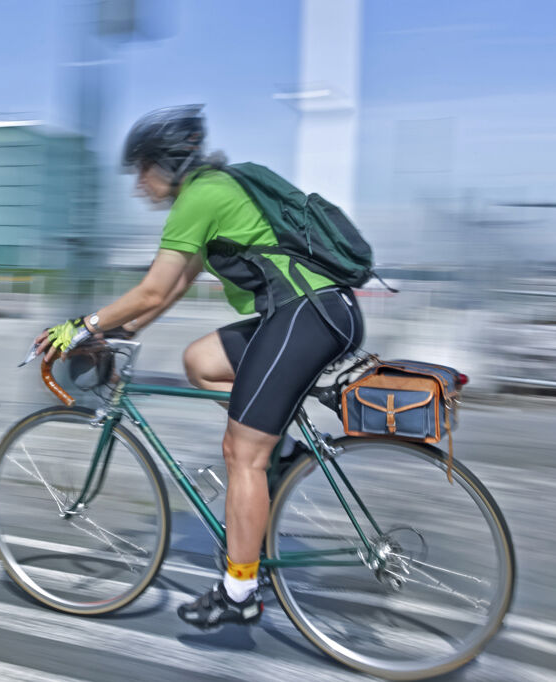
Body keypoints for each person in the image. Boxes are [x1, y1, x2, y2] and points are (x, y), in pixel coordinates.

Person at [32, 104, 364, 629]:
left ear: (163, 163)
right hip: (312, 314)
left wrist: (81, 325)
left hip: (308, 316)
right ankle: (282, 454)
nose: (138, 185)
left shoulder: (201, 196)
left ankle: (240, 591)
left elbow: (153, 288)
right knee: (201, 361)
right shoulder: (213, 192)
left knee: (240, 454)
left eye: (140, 170)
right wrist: (122, 334)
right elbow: (175, 287)